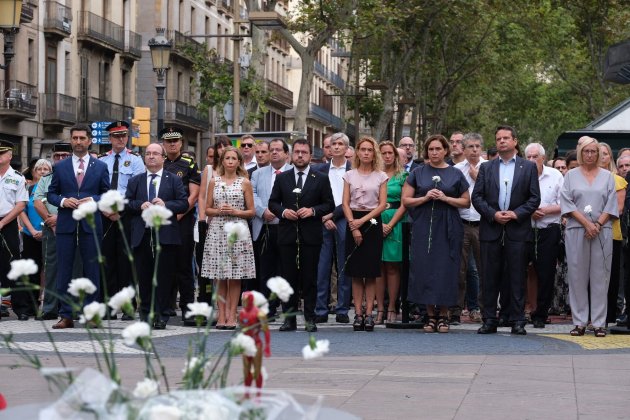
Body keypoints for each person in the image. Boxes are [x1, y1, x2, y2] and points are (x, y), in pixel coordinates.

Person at [472, 125, 540, 336]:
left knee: (517, 276)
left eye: (506, 138)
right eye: (498, 138)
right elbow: (477, 197)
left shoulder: (528, 167)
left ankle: (518, 319)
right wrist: (493, 214)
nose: (501, 141)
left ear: (515, 141)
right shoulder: (487, 167)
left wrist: (515, 213)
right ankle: (489, 319)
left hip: (517, 229)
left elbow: (534, 198)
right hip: (491, 229)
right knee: (489, 276)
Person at [402, 135, 470, 333]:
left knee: (447, 269)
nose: (434, 153)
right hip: (423, 225)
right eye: (430, 149)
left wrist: (446, 198)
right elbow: (406, 200)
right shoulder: (417, 172)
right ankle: (430, 315)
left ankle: (444, 315)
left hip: (449, 225)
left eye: (438, 149)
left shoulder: (455, 174)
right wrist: (424, 197)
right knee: (425, 268)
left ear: (445, 151)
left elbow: (466, 202)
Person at [47, 125, 111, 329]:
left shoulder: (100, 167)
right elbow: (51, 194)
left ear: (89, 141)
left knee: (92, 269)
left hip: (91, 224)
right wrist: (64, 201)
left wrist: (92, 198)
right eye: (75, 138)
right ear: (71, 140)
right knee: (64, 270)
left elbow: (106, 194)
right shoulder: (60, 166)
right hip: (66, 224)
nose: (78, 142)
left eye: (82, 138)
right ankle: (66, 315)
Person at [268, 138, 334, 333]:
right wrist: (283, 212)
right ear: (291, 154)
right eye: (297, 152)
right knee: (288, 278)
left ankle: (310, 318)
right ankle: (289, 318)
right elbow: (273, 203)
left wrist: (313, 211)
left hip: (311, 235)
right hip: (288, 234)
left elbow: (329, 204)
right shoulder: (282, 178)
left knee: (310, 278)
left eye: (304, 152)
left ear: (310, 155)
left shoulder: (320, 177)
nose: (300, 155)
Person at [125, 143, 188, 329]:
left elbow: (183, 203)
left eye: (155, 154)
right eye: (148, 153)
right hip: (142, 234)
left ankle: (161, 315)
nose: (151, 156)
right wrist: (139, 205)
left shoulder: (173, 180)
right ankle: (145, 314)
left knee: (163, 277)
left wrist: (166, 204)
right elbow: (126, 203)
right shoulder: (135, 180)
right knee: (144, 278)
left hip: (165, 236)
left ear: (163, 158)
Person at [560, 136, 618, 337]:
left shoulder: (608, 176)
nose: (591, 154)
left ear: (600, 154)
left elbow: (612, 204)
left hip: (602, 231)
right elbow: (567, 202)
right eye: (587, 151)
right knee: (577, 277)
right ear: (580, 153)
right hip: (577, 230)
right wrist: (586, 223)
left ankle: (599, 323)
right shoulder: (571, 175)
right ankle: (580, 322)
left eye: (594, 151)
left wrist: (597, 224)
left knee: (601, 277)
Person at [201, 146, 256, 329]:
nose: (231, 161)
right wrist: (218, 211)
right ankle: (221, 314)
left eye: (234, 158)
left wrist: (235, 211)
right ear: (222, 161)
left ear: (239, 162)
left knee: (235, 275)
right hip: (217, 230)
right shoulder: (214, 182)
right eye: (227, 158)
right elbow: (207, 208)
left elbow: (252, 211)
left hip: (238, 231)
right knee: (219, 276)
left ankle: (232, 315)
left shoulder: (244, 182)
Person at [99, 121, 145, 317]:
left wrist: (120, 209)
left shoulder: (135, 160)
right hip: (104, 215)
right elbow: (97, 188)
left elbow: (137, 189)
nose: (120, 139)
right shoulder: (101, 161)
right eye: (116, 136)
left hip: (126, 216)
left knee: (126, 262)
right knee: (107, 261)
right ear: (110, 138)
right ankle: (109, 306)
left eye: (123, 135)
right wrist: (105, 209)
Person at [342, 136, 388, 332]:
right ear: (358, 152)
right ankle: (358, 314)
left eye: (370, 150)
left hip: (373, 221)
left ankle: (369, 314)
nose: (366, 153)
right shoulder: (349, 175)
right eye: (363, 149)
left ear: (374, 153)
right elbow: (345, 203)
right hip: (353, 219)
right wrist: (354, 225)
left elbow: (382, 204)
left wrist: (362, 221)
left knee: (370, 272)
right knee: (355, 273)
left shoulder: (381, 176)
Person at [33, 142, 81, 320]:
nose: (60, 159)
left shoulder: (78, 176)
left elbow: (81, 201)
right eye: (57, 156)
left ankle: (74, 307)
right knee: (51, 267)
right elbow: (38, 200)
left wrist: (59, 219)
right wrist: (50, 221)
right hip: (50, 228)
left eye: (64, 156)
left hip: (73, 226)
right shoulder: (47, 178)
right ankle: (50, 308)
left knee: (75, 268)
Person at [162, 126, 201, 326]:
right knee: (163, 266)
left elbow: (193, 195)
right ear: (163, 143)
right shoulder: (158, 163)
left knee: (184, 267)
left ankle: (188, 310)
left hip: (182, 220)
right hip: (161, 220)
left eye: (175, 141)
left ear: (181, 143)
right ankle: (164, 308)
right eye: (168, 141)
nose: (172, 144)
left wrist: (179, 214)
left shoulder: (189, 164)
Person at [313, 132, 352, 325]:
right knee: (322, 266)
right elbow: (313, 196)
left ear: (346, 149)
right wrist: (323, 216)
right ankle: (320, 308)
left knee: (344, 266)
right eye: (332, 144)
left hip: (345, 218)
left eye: (339, 144)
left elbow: (353, 199)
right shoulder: (319, 169)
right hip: (322, 221)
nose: (335, 147)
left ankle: (342, 309)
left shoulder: (353, 170)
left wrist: (334, 215)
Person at [524, 143, 563, 329]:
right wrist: (530, 211)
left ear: (543, 158)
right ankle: (524, 310)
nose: (531, 160)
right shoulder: (522, 174)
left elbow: (564, 203)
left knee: (546, 273)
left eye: (535, 156)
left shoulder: (555, 175)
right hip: (526, 229)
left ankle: (541, 313)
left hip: (549, 229)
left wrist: (545, 210)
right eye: (528, 157)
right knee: (522, 272)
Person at [251, 139, 292, 317]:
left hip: (286, 226)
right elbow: (251, 194)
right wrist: (262, 211)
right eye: (271, 150)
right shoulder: (258, 174)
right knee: (265, 270)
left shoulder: (293, 172)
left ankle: (287, 306)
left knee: (285, 269)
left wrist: (280, 211)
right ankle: (267, 306)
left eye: (278, 150)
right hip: (265, 226)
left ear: (286, 154)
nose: (274, 153)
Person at [453, 133, 486, 324]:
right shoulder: (456, 170)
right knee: (460, 270)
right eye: (470, 147)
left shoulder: (489, 167)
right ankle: (455, 310)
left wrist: (478, 178)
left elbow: (495, 194)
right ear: (463, 150)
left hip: (483, 225)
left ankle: (481, 310)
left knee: (484, 270)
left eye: (477, 146)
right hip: (462, 223)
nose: (474, 150)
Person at [14, 159, 52, 320]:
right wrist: (30, 229)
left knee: (49, 271)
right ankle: (31, 306)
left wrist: (44, 230)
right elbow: (22, 210)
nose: (42, 171)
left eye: (46, 169)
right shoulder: (28, 189)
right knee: (32, 271)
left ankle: (48, 306)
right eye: (39, 169)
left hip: (49, 233)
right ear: (34, 171)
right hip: (31, 234)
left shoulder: (53, 190)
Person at [196, 136, 231, 304]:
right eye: (220, 146)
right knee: (213, 265)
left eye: (226, 146)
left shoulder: (239, 170)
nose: (222, 149)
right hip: (211, 222)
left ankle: (229, 305)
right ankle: (213, 303)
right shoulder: (209, 170)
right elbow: (201, 196)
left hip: (233, 222)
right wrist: (203, 218)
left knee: (230, 266)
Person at [376, 141, 408, 324]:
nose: (387, 156)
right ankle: (379, 308)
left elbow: (405, 203)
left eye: (390, 153)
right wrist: (378, 223)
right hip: (375, 220)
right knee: (378, 267)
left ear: (395, 156)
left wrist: (390, 225)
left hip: (396, 221)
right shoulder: (373, 175)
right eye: (383, 153)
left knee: (393, 266)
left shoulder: (403, 176)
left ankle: (392, 307)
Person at [598, 142, 626, 325]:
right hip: (588, 233)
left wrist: (596, 220)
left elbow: (619, 209)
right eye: (597, 153)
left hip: (611, 234)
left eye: (605, 153)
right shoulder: (585, 179)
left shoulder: (618, 180)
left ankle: (608, 316)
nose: (601, 157)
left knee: (611, 277)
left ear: (610, 157)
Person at [0, 140, 28, 321]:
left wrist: (3, 223)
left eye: (2, 153)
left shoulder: (17, 177)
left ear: (10, 156)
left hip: (8, 223)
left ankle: (20, 308)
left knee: (13, 264)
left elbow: (21, 204)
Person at [238, 291, 270, 392]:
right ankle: (247, 392)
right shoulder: (242, 313)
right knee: (246, 370)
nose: (243, 303)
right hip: (246, 344)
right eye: (243, 301)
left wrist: (267, 346)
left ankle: (258, 393)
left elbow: (266, 331)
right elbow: (242, 329)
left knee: (257, 370)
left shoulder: (259, 314)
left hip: (256, 344)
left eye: (245, 301)